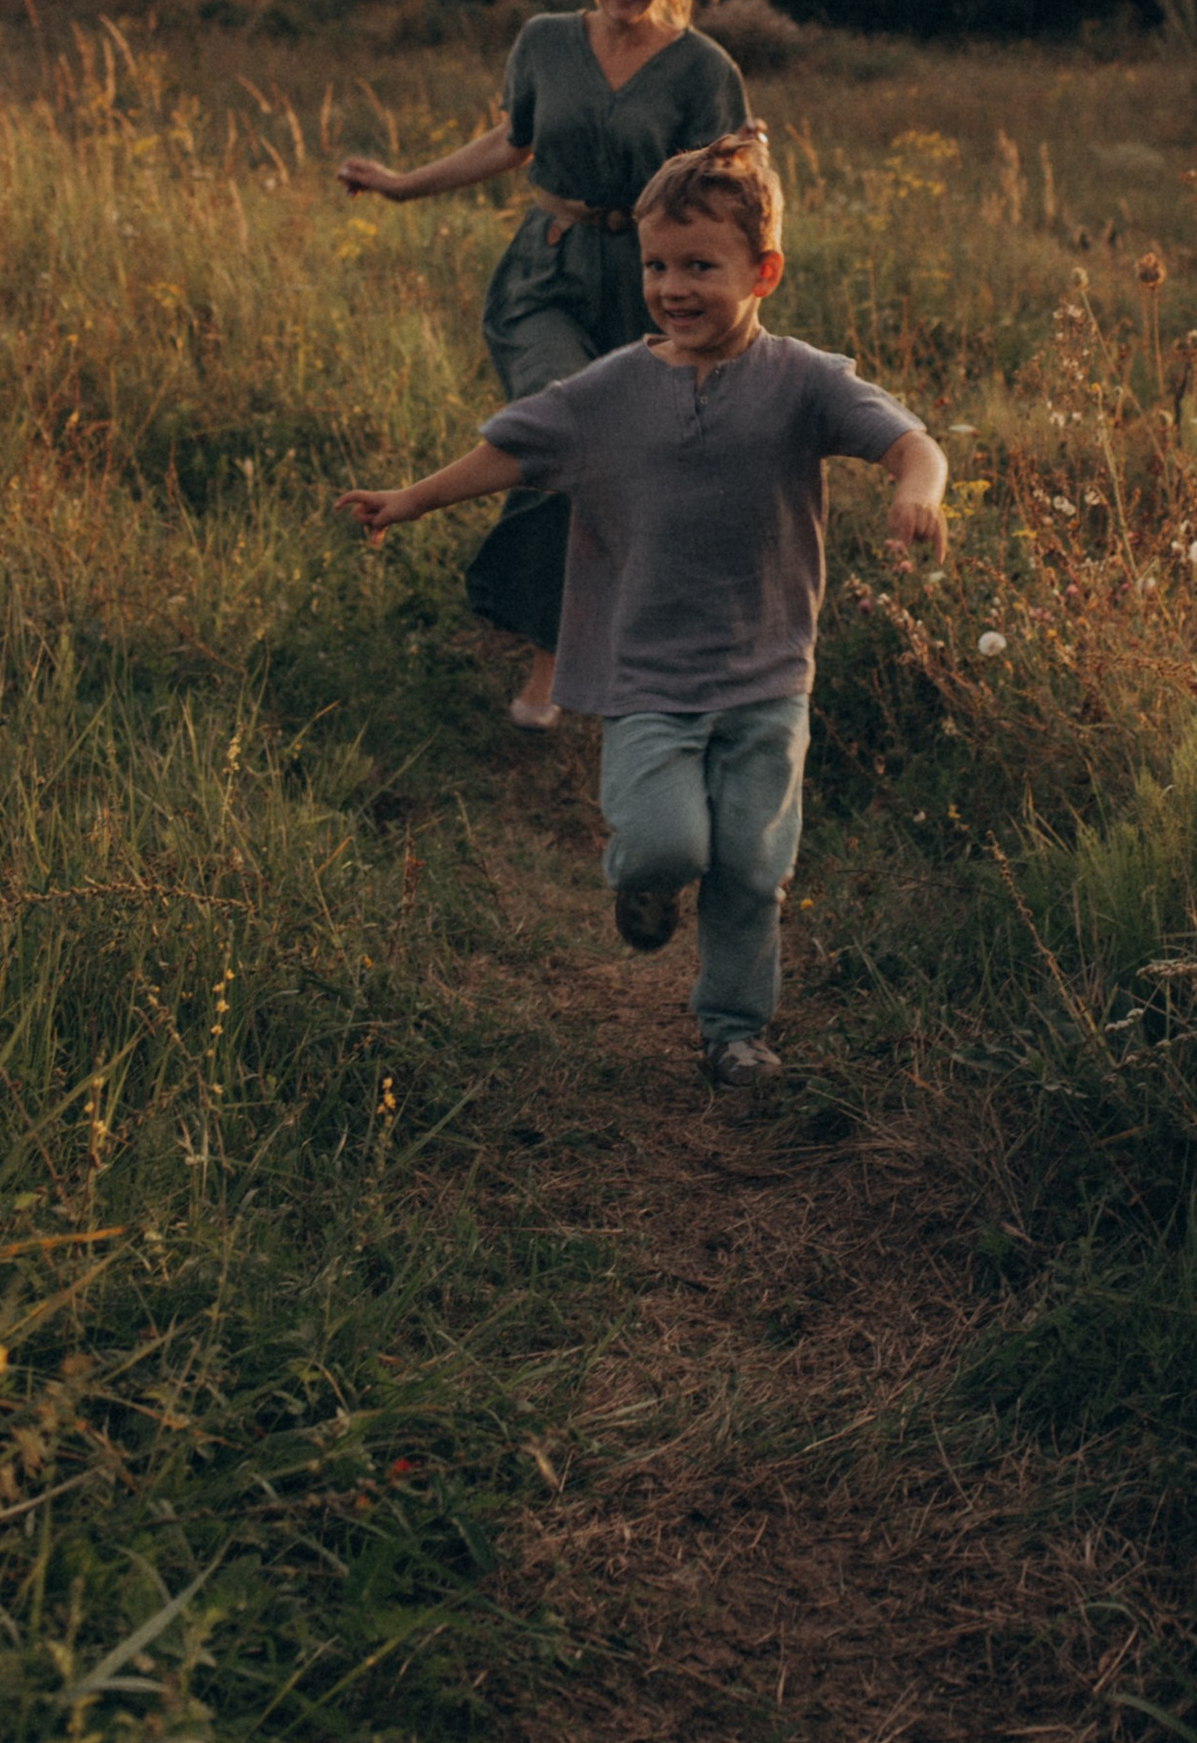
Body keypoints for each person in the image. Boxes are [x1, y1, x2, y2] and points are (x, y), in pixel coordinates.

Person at [336, 126, 947, 1116]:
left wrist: (921, 492)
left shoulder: (803, 381)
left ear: (763, 272)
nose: (671, 286)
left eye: (699, 266)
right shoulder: (614, 389)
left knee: (752, 865)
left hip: (767, 677)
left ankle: (734, 1034)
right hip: (647, 676)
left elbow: (909, 442)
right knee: (669, 844)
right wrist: (409, 499)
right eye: (657, 265)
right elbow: (512, 449)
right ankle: (642, 878)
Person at [336, 0, 748, 731]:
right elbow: (512, 140)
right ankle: (548, 651)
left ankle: (608, 644)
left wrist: (731, 296)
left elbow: (735, 189)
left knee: (621, 469)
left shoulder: (704, 69)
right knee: (559, 426)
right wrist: (405, 186)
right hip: (546, 274)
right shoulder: (546, 42)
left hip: (650, 285)